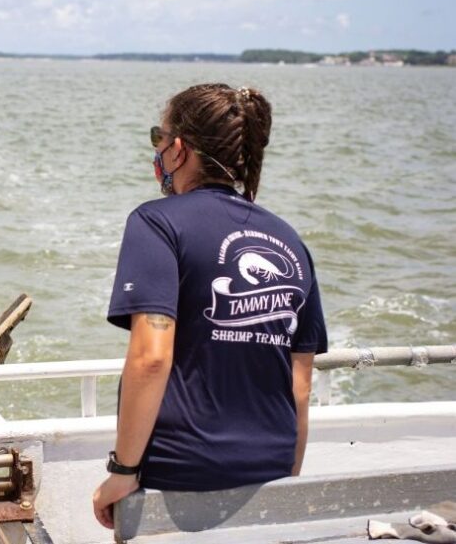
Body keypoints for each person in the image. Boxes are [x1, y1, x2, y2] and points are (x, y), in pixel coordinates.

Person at [92, 83, 328, 529]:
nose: (157, 151)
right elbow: (300, 384)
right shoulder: (290, 241)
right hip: (271, 467)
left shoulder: (155, 222)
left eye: (157, 138)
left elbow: (150, 357)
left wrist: (122, 472)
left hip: (181, 469)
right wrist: (288, 480)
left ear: (179, 150)